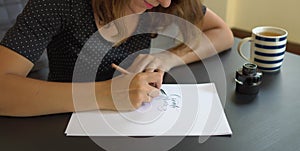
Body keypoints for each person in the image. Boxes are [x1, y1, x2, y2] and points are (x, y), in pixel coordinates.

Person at [0, 0, 234, 117]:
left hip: (132, 123)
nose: (164, 2)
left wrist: (168, 57)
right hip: (59, 124)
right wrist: (105, 94)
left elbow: (221, 32)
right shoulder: (59, 3)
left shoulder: (162, 4)